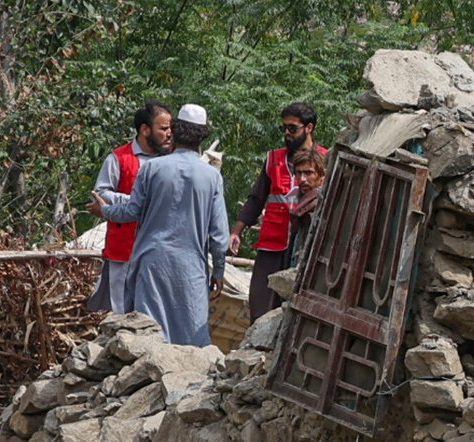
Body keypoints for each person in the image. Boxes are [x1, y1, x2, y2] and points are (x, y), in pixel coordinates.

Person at [119, 113, 230, 348]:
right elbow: (219, 235)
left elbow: (131, 211)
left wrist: (106, 210)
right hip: (190, 269)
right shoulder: (212, 177)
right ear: (202, 135)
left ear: (175, 131)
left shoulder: (152, 168)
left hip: (152, 262)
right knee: (192, 337)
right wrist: (218, 271)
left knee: (149, 335)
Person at [242, 103, 320, 323]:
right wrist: (236, 231)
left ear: (309, 128)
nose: (287, 133)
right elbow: (256, 199)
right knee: (262, 304)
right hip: (272, 242)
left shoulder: (325, 158)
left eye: (292, 128)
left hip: (305, 243)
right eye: (284, 128)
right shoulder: (273, 159)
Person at [96, 101, 172, 316]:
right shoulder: (118, 158)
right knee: (121, 311)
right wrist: (133, 201)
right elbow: (101, 193)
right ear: (145, 129)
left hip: (160, 251)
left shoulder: (172, 160)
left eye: (171, 128)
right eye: (164, 128)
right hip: (124, 249)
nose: (169, 134)